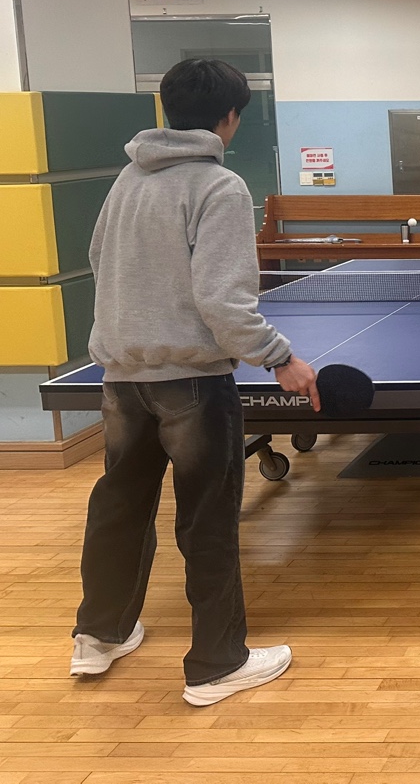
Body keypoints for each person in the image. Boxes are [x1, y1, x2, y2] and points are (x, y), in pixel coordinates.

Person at [72, 57, 320, 707]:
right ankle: (217, 662)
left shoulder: (127, 178)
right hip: (191, 382)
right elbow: (222, 299)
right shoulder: (221, 186)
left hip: (122, 377)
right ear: (229, 117)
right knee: (207, 519)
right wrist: (280, 358)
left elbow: (98, 259)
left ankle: (99, 635)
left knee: (120, 505)